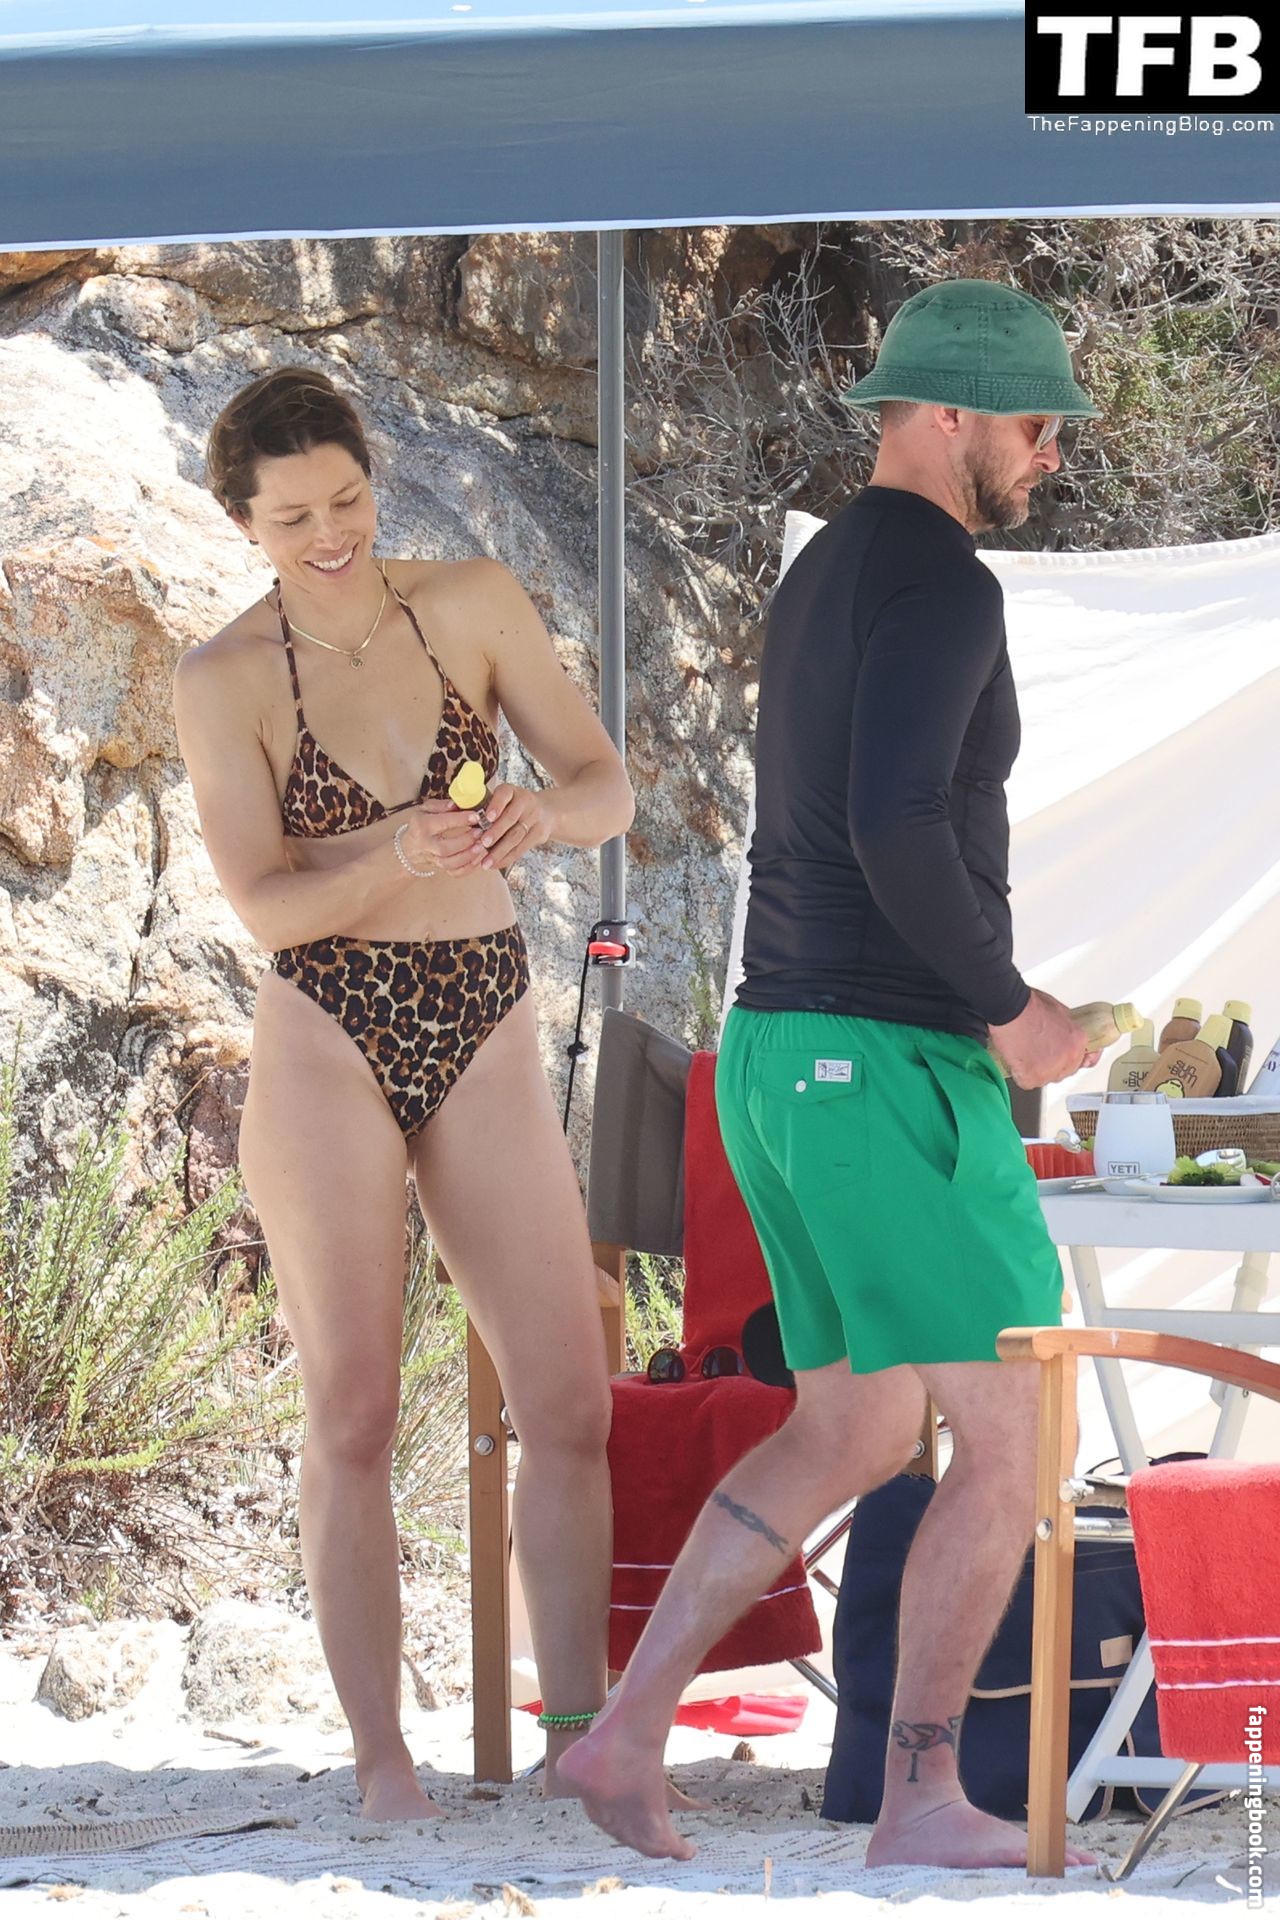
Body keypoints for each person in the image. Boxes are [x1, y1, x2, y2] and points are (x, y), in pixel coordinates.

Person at [562, 280, 1104, 1867]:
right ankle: (922, 1794)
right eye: (1035, 423)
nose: (1050, 454)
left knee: (854, 1429)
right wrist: (1010, 1009)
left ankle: (623, 1733)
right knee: (1016, 1429)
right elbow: (895, 823)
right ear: (947, 414)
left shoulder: (825, 571)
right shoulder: (942, 580)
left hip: (776, 1053)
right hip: (881, 1059)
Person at [174, 366, 633, 1821]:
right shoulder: (224, 678)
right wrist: (395, 857)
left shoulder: (472, 603)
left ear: (376, 479)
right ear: (245, 524)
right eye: (294, 517)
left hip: (484, 1006)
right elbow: (264, 904)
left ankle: (578, 1732)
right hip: (328, 1026)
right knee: (356, 1410)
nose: (331, 535)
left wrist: (539, 814)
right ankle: (383, 1761)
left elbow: (606, 785)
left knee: (569, 1401)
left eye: (350, 500)